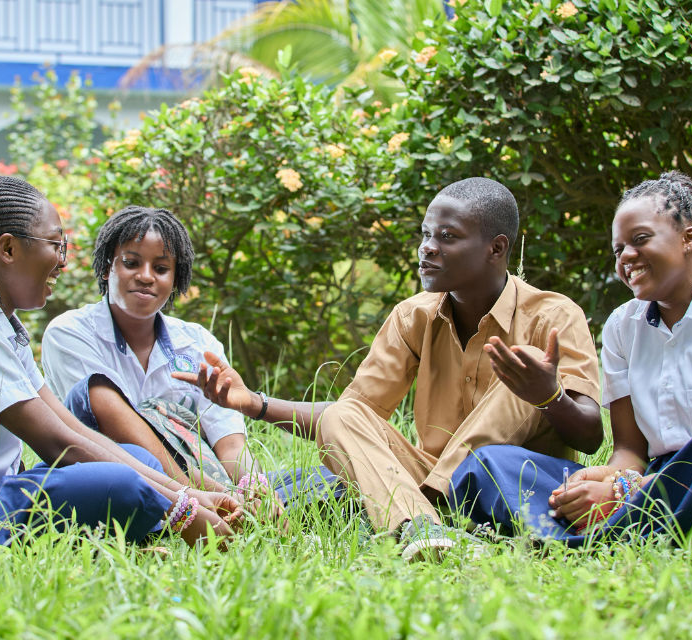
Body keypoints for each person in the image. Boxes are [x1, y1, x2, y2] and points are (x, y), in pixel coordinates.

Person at [175, 178, 604, 561]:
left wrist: (548, 395)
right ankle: (422, 527)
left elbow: (589, 436)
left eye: (448, 236)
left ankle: (423, 509)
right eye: (426, 234)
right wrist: (254, 403)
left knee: (522, 374)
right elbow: (353, 422)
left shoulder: (553, 316)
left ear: (497, 248)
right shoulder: (412, 316)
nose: (428, 247)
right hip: (417, 475)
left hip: (511, 487)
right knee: (341, 414)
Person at [0, 176, 240, 548]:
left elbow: (67, 424)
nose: (62, 260)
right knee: (119, 483)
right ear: (8, 249)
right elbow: (57, 443)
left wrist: (182, 492)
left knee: (136, 458)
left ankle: (135, 533)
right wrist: (183, 509)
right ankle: (147, 528)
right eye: (55, 244)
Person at [450, 171, 692, 545]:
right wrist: (604, 480)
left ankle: (593, 539)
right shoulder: (623, 326)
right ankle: (623, 532)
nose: (627, 257)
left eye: (640, 240)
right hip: (648, 485)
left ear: (689, 239)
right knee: (491, 464)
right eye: (618, 250)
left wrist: (622, 493)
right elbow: (629, 451)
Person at [42, 206, 334, 508]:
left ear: (175, 278)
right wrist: (218, 498)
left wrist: (254, 491)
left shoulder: (197, 342)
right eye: (131, 263)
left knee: (345, 477)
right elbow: (117, 440)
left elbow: (231, 444)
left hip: (212, 482)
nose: (145, 277)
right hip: (122, 487)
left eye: (160, 268)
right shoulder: (70, 335)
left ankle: (266, 509)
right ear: (107, 268)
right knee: (153, 413)